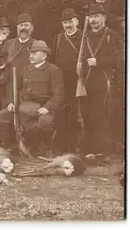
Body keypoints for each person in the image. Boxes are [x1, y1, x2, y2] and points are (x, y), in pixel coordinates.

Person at [5, 40, 64, 157]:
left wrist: (48, 107)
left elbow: (59, 94)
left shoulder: (53, 70)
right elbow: (15, 88)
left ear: (44, 56)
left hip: (44, 106)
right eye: (30, 53)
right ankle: (11, 146)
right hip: (26, 106)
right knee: (3, 116)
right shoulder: (25, 69)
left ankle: (47, 147)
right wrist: (11, 102)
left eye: (34, 53)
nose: (31, 56)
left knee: (45, 121)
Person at [78, 3, 123, 155]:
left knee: (100, 117)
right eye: (91, 17)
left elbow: (121, 59)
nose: (93, 20)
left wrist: (100, 62)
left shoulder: (112, 36)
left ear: (104, 17)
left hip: (104, 82)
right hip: (85, 83)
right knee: (86, 116)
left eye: (97, 16)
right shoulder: (85, 36)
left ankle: (101, 153)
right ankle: (89, 151)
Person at [0, 13, 36, 149]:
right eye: (20, 25)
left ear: (32, 28)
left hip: (29, 86)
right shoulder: (8, 44)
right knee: (6, 114)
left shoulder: (36, 45)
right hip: (10, 85)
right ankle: (7, 146)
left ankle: (29, 145)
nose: (23, 28)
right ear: (16, 28)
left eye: (26, 25)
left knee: (26, 116)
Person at [51, 8, 84, 153]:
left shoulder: (84, 37)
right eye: (65, 22)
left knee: (78, 114)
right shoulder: (58, 38)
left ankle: (77, 145)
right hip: (61, 83)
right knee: (61, 113)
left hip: (79, 82)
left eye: (70, 21)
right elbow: (52, 61)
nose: (68, 25)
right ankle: (62, 145)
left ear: (77, 21)